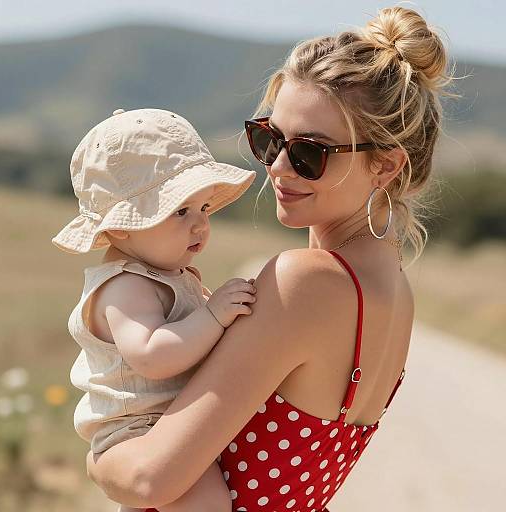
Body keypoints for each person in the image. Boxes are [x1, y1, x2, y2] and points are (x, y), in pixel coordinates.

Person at [85, 7, 454, 511]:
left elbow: (150, 478)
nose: (278, 167)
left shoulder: (304, 282)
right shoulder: (395, 294)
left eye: (310, 152)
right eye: (269, 138)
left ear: (386, 164)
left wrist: (98, 458)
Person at [51, 107, 257, 511]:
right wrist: (213, 316)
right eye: (180, 212)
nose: (200, 226)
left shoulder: (165, 273)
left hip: (169, 421)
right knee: (207, 503)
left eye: (204, 209)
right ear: (120, 226)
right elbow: (152, 355)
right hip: (137, 433)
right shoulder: (125, 286)